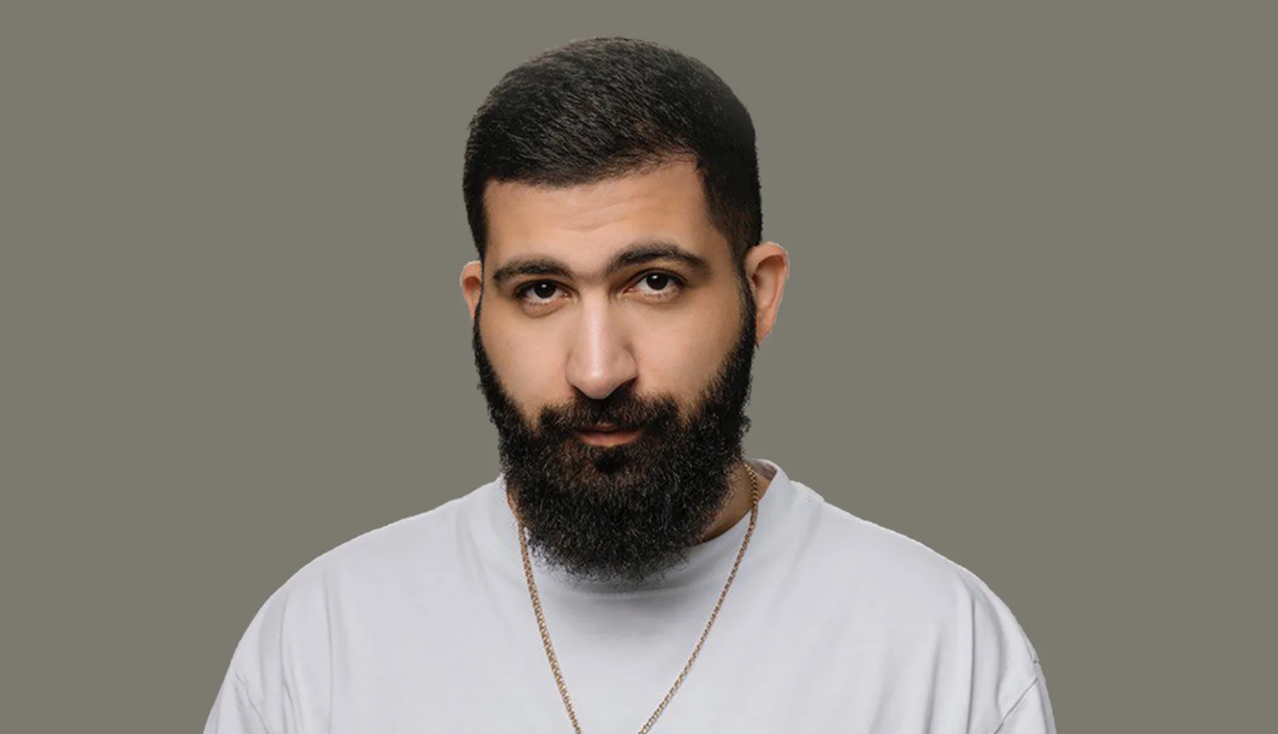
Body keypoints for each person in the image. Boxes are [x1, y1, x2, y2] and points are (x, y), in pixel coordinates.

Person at [203, 37, 1056, 733]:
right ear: (479, 305)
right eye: (541, 291)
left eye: (654, 282)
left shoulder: (940, 645)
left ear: (759, 291)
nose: (598, 370)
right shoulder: (322, 641)